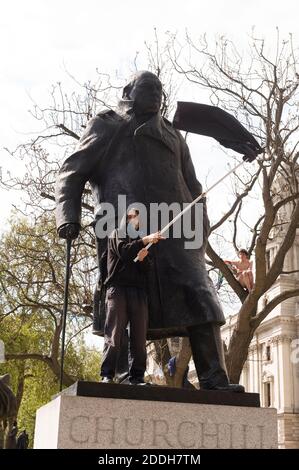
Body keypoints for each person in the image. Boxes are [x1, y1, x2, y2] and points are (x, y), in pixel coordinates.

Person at [55, 70, 248, 392]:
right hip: (125, 227)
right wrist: (68, 216)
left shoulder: (173, 134)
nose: (156, 94)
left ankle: (214, 379)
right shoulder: (107, 125)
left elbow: (193, 184)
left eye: (159, 89)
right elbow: (71, 174)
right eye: (148, 88)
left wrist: (199, 225)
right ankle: (120, 376)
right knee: (123, 308)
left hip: (178, 230)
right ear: (130, 91)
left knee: (202, 299)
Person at [101, 208, 164, 384]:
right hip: (118, 290)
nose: (132, 219)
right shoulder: (116, 234)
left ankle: (137, 377)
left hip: (138, 292)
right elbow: (125, 252)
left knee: (138, 337)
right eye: (129, 216)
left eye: (135, 217)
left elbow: (148, 269)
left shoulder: (141, 242)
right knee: (114, 334)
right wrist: (145, 240)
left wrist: (144, 259)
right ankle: (107, 374)